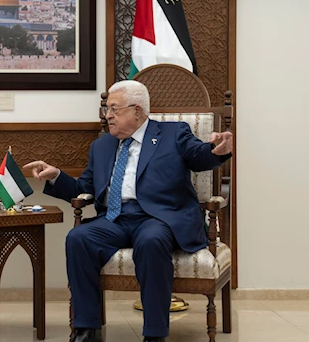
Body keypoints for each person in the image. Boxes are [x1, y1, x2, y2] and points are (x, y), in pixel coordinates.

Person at [23, 81, 232, 342]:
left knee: (152, 240)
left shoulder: (173, 133)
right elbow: (82, 188)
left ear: (137, 110)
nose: (108, 115)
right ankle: (87, 329)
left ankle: (155, 333)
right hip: (115, 218)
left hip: (157, 218)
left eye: (114, 109)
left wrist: (218, 150)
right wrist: (55, 176)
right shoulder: (101, 146)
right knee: (78, 238)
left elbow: (200, 155)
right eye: (106, 109)